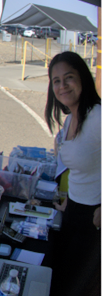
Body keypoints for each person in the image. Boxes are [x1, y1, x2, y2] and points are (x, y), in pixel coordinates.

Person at [44, 51, 101, 296]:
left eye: (69, 77)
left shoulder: (97, 116)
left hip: (94, 219)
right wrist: (70, 199)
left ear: (83, 78)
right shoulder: (70, 120)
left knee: (74, 286)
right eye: (56, 80)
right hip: (74, 209)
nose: (62, 85)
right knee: (57, 274)